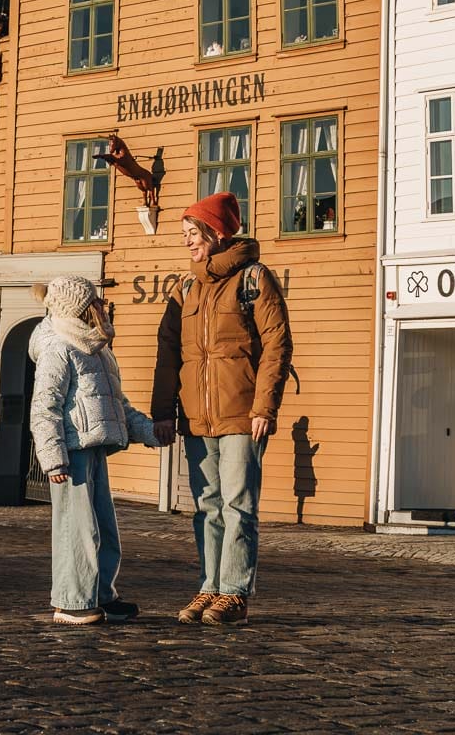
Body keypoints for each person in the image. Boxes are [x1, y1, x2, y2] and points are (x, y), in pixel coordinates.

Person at [151, 191, 293, 627]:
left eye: (193, 234)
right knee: (206, 507)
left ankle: (234, 592)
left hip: (242, 414)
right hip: (197, 418)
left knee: (238, 504)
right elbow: (168, 350)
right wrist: (163, 412)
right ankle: (209, 585)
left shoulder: (254, 278)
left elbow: (277, 345)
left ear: (217, 232)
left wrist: (264, 407)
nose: (188, 243)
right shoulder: (186, 288)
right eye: (184, 235)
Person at [29, 274, 159, 626]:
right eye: (95, 302)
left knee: (103, 528)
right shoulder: (58, 347)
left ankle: (101, 594)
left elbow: (117, 405)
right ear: (80, 309)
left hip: (95, 447)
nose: (102, 307)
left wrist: (151, 432)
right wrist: (53, 457)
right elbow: (44, 407)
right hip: (71, 453)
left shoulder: (96, 348)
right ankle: (71, 601)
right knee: (78, 528)